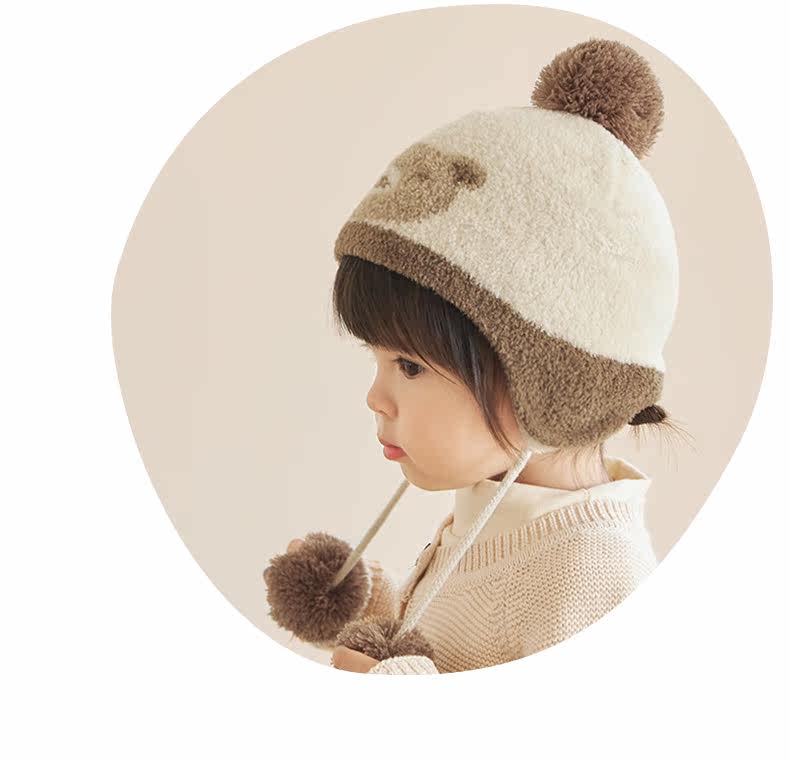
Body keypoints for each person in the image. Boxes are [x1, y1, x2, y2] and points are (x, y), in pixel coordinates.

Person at [263, 37, 688, 674]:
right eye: (378, 359)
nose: (376, 398)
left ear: (552, 386)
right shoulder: (504, 512)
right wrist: (370, 613)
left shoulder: (592, 575)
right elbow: (463, 642)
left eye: (409, 366)